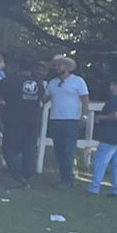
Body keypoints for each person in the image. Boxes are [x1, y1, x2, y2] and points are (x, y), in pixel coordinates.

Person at [0, 59, 45, 185]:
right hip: (33, 120)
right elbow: (41, 97)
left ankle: (17, 176)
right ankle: (27, 175)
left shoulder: (11, 80)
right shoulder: (38, 83)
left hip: (15, 120)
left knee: (9, 149)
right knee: (28, 149)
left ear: (17, 67)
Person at [45, 56, 89, 186]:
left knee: (68, 150)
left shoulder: (78, 81)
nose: (57, 67)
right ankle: (63, 177)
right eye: (56, 65)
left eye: (60, 65)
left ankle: (68, 179)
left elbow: (85, 100)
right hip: (56, 119)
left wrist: (84, 116)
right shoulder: (52, 83)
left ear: (67, 67)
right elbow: (45, 98)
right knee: (59, 150)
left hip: (71, 120)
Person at [87, 78, 117, 196]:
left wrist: (101, 117)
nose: (110, 87)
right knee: (116, 163)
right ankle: (116, 188)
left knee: (100, 161)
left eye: (112, 84)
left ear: (116, 85)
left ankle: (94, 187)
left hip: (110, 136)